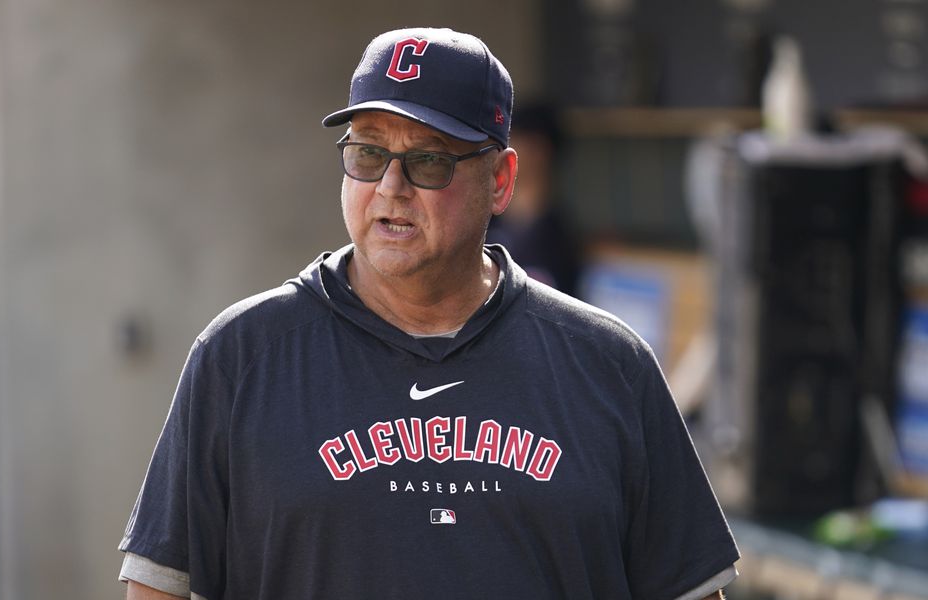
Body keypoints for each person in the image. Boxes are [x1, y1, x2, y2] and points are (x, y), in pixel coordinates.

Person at [119, 27, 739, 600]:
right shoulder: (241, 357)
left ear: (499, 180)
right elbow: (158, 587)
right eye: (367, 154)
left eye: (429, 160)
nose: (390, 187)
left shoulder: (610, 366)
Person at [485, 102, 582, 297]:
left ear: (539, 150)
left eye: (512, 139)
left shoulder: (561, 243)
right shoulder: (482, 224)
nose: (501, 150)